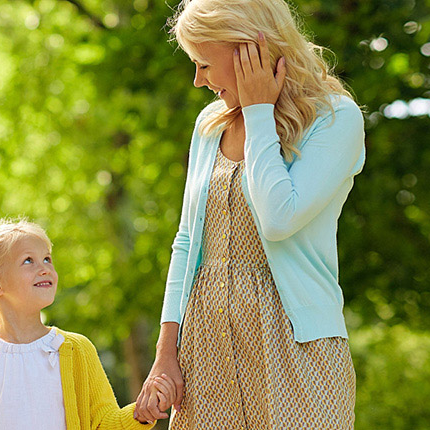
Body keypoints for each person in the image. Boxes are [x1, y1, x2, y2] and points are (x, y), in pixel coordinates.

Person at [134, 0, 365, 428]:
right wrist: (166, 355)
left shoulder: (335, 118)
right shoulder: (210, 125)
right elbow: (187, 241)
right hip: (205, 351)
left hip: (298, 351)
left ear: (247, 50)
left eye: (204, 64)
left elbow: (278, 219)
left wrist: (260, 112)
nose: (198, 80)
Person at [0, 220, 174, 430]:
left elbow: (104, 422)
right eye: (28, 261)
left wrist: (139, 415)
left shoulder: (76, 350)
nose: (44, 268)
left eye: (47, 259)